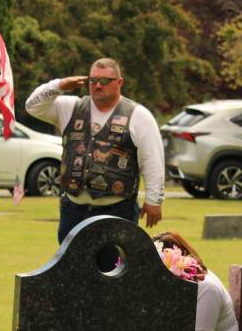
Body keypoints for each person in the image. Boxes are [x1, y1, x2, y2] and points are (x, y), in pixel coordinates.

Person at [25, 58, 165, 244]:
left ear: (119, 82)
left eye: (105, 81)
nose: (98, 85)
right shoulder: (70, 107)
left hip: (117, 209)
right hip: (73, 209)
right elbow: (32, 106)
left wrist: (154, 200)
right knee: (72, 261)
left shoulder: (138, 115)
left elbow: (152, 159)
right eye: (93, 80)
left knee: (115, 261)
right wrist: (59, 85)